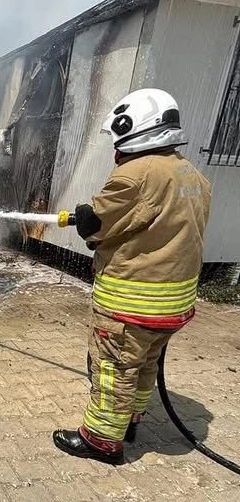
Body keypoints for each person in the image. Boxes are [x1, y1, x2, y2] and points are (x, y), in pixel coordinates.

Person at [52, 89, 212, 464]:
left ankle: (101, 441)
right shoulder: (191, 173)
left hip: (132, 302)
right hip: (173, 304)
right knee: (144, 364)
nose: (115, 147)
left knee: (113, 369)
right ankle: (131, 421)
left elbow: (100, 225)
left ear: (135, 128)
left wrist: (87, 219)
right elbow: (153, 224)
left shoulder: (135, 174)